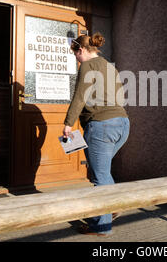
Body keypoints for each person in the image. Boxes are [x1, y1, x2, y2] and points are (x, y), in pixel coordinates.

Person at [63, 32, 129, 236]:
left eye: (75, 54)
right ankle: (112, 207)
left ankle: (101, 227)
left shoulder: (87, 66)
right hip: (123, 124)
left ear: (81, 50)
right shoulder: (111, 66)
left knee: (99, 175)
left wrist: (68, 124)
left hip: (102, 126)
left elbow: (80, 96)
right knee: (102, 171)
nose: (76, 59)